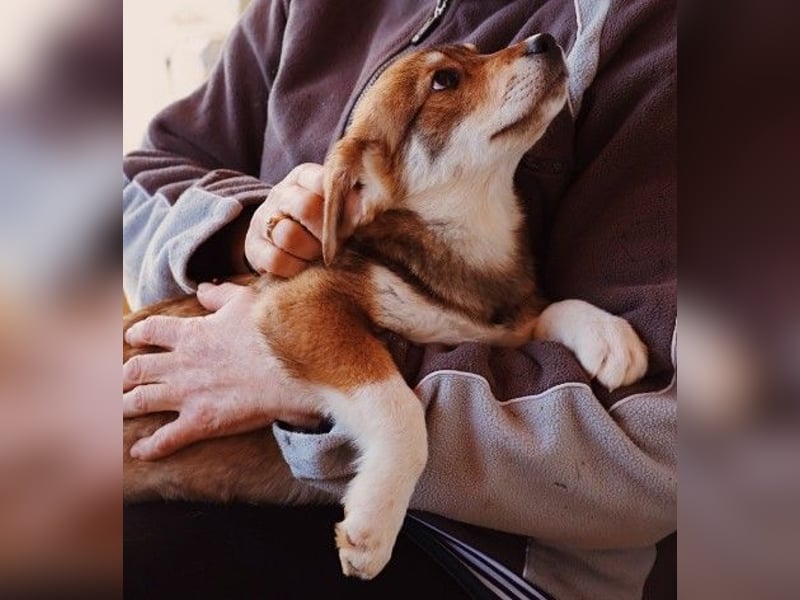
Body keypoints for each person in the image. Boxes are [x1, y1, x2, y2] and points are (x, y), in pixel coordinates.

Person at [122, 1, 676, 598]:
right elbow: (135, 180)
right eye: (447, 81)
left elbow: (664, 437)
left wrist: (311, 383)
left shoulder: (655, 34)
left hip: (476, 545)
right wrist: (248, 231)